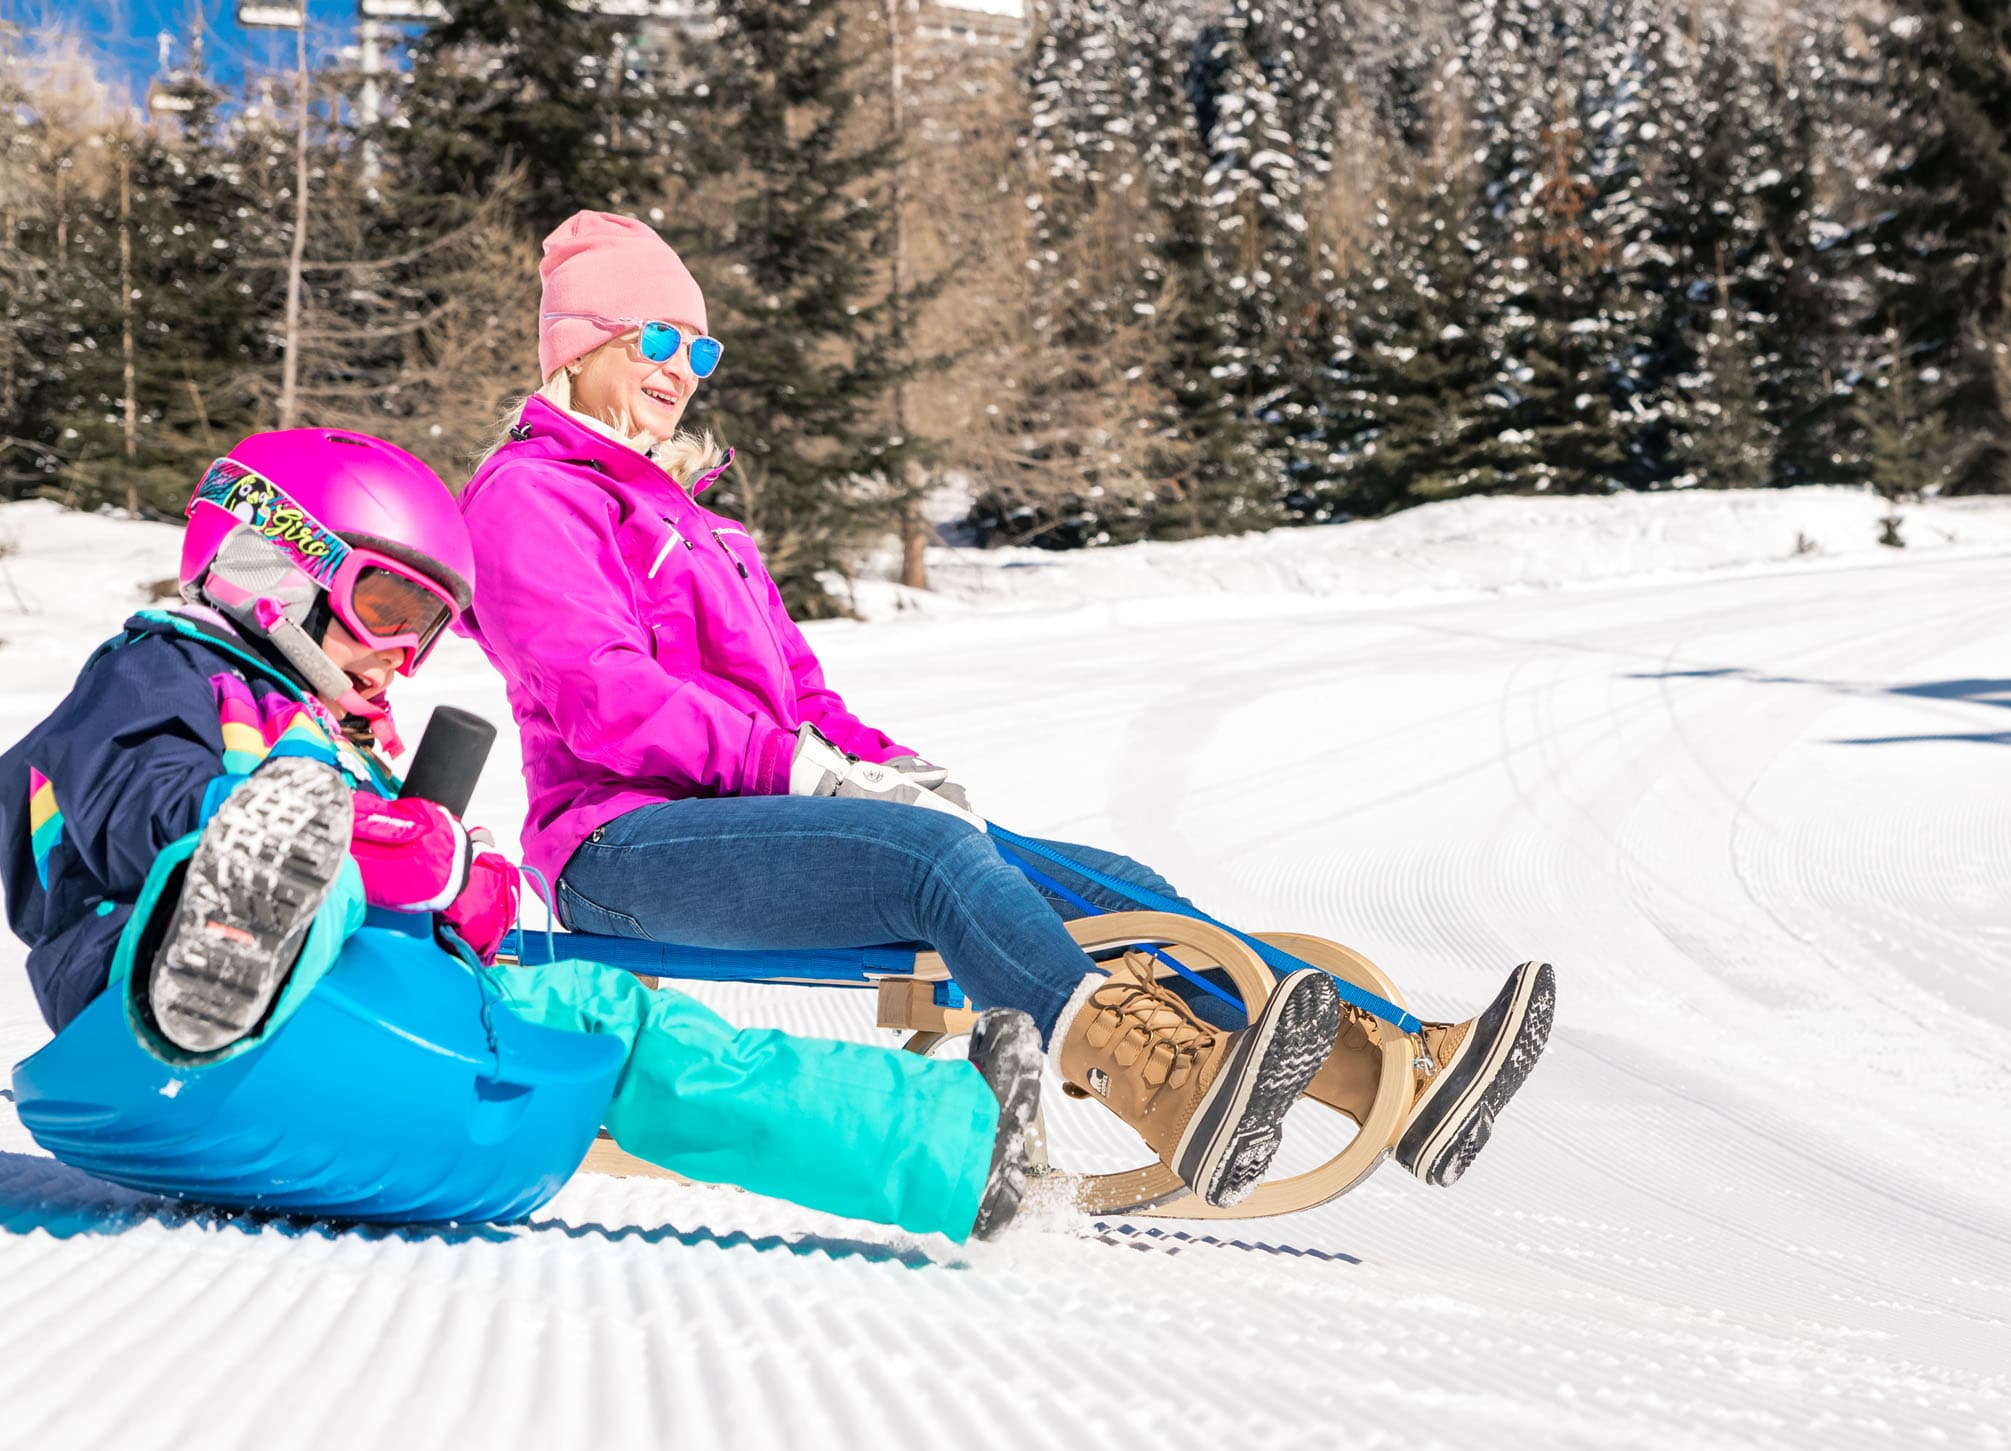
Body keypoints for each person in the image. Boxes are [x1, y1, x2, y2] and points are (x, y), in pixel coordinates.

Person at [460, 212, 1556, 1205]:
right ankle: (1161, 1083)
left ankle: (1400, 1074)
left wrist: (892, 770)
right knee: (935, 863)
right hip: (620, 846)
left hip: (749, 811)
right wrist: (802, 773)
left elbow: (806, 700)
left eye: (699, 349)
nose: (683, 370)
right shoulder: (531, 497)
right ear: (579, 342)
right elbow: (602, 696)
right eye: (657, 340)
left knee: (1104, 883)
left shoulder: (704, 524)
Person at [0, 428, 1042, 1244]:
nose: (400, 652)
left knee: (617, 1019)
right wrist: (356, 844)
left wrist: (457, 888)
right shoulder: (162, 673)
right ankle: (223, 964)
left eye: (427, 625)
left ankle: (953, 1144)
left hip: (346, 1044)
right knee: (268, 847)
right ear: (271, 560)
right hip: (148, 1010)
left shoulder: (336, 735)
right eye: (383, 602)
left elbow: (407, 872)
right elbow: (135, 807)